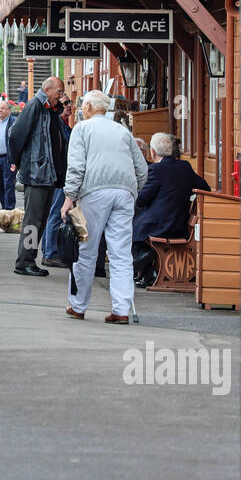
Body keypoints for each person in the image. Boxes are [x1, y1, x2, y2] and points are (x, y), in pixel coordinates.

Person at [60, 91, 148, 323]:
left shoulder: (82, 128)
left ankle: (78, 305)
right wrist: (133, 191)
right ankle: (121, 310)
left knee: (86, 250)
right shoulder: (122, 131)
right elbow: (141, 168)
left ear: (88, 106)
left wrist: (69, 196)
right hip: (124, 192)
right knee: (120, 253)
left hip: (94, 192)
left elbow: (76, 166)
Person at [132, 132, 210, 286]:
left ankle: (147, 267)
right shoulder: (185, 167)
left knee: (132, 229)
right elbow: (205, 187)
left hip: (159, 226)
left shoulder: (156, 170)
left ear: (153, 152)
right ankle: (147, 271)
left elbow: (141, 199)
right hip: (179, 223)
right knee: (137, 226)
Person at [8, 76, 65, 277]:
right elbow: (16, 135)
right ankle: (24, 261)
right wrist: (16, 161)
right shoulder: (35, 107)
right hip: (37, 173)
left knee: (40, 219)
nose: (61, 96)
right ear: (47, 90)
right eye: (59, 92)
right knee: (33, 221)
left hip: (46, 174)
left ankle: (29, 259)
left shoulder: (48, 109)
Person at [39, 96, 75, 268]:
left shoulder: (64, 127)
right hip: (60, 176)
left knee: (53, 213)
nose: (69, 106)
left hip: (62, 175)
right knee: (56, 213)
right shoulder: (58, 127)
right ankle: (51, 253)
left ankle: (48, 251)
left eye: (70, 103)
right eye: (65, 103)